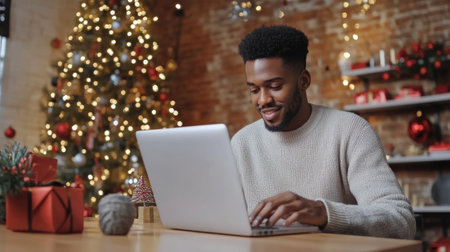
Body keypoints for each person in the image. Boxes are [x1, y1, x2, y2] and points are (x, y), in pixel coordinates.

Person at [230, 25, 415, 239]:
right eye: (254, 90)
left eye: (275, 86)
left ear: (304, 81)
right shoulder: (242, 143)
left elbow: (401, 221)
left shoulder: (351, 131)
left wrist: (324, 213)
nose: (263, 100)